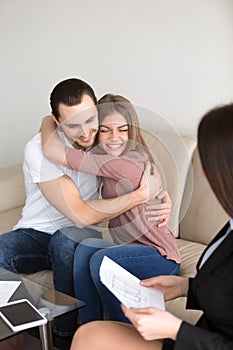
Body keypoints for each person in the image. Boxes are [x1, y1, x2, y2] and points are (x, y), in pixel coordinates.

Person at [0, 78, 164, 349]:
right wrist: (139, 196)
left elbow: (140, 165)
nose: (86, 132)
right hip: (36, 235)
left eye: (90, 121)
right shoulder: (39, 149)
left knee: (66, 239)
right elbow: (78, 214)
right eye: (73, 125)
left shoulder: (105, 140)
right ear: (57, 121)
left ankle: (64, 337)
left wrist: (161, 196)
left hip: (83, 236)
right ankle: (17, 333)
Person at [70, 102, 233, 350]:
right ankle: (82, 323)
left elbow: (67, 158)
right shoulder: (229, 227)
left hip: (194, 339)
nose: (202, 175)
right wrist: (185, 287)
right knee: (87, 333)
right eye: (106, 130)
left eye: (207, 163)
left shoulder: (132, 163)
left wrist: (174, 329)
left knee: (99, 259)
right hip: (197, 337)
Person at [41, 93, 180, 324]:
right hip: (131, 249)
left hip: (160, 257)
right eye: (105, 130)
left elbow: (54, 152)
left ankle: (121, 334)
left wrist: (47, 120)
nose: (115, 137)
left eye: (122, 130)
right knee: (85, 250)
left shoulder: (125, 163)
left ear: (131, 131)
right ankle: (88, 329)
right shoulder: (107, 161)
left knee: (101, 260)